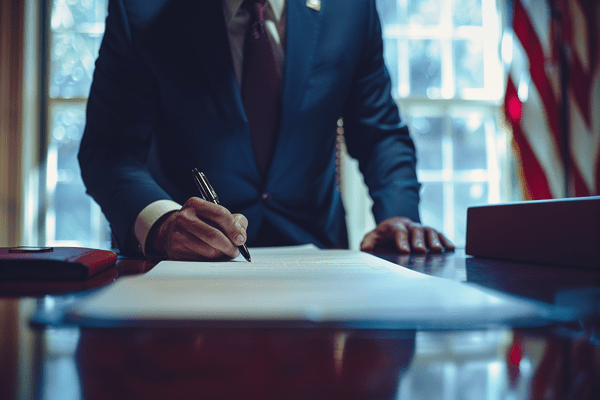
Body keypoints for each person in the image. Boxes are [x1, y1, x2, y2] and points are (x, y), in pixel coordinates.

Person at [78, 0, 454, 260]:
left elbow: (380, 134)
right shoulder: (141, 10)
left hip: (322, 265)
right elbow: (109, 150)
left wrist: (398, 218)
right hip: (186, 270)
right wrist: (161, 225)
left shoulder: (350, 9)